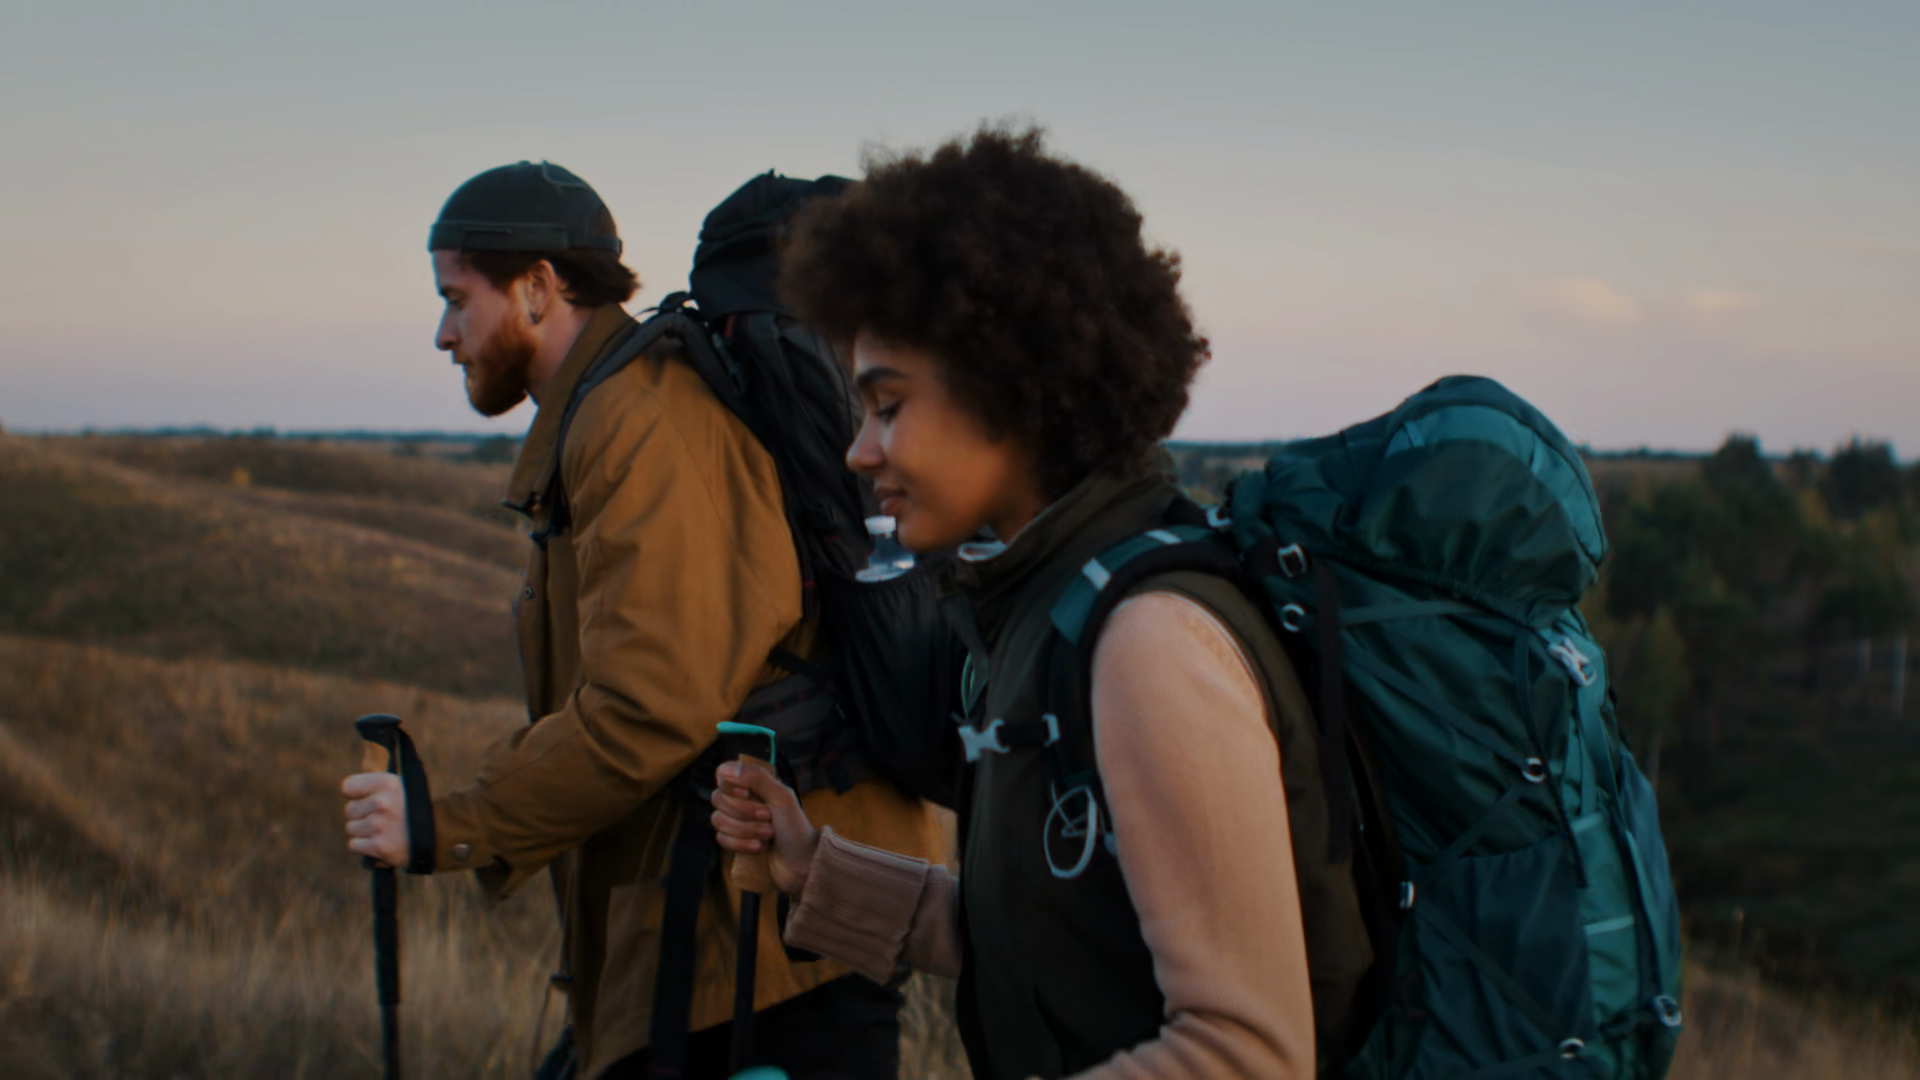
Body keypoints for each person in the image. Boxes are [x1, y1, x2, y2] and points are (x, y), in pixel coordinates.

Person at [707, 127, 1376, 1079]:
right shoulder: (1041, 604)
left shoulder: (1150, 639)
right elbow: (1055, 938)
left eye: (887, 405)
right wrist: (815, 866)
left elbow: (1244, 1052)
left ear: (1010, 389)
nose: (860, 451)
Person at [341, 161, 948, 1080]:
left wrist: (447, 821)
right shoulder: (616, 406)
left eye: (457, 300)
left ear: (538, 288)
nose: (443, 334)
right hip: (718, 936)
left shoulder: (639, 416)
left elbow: (651, 704)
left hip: (761, 954)